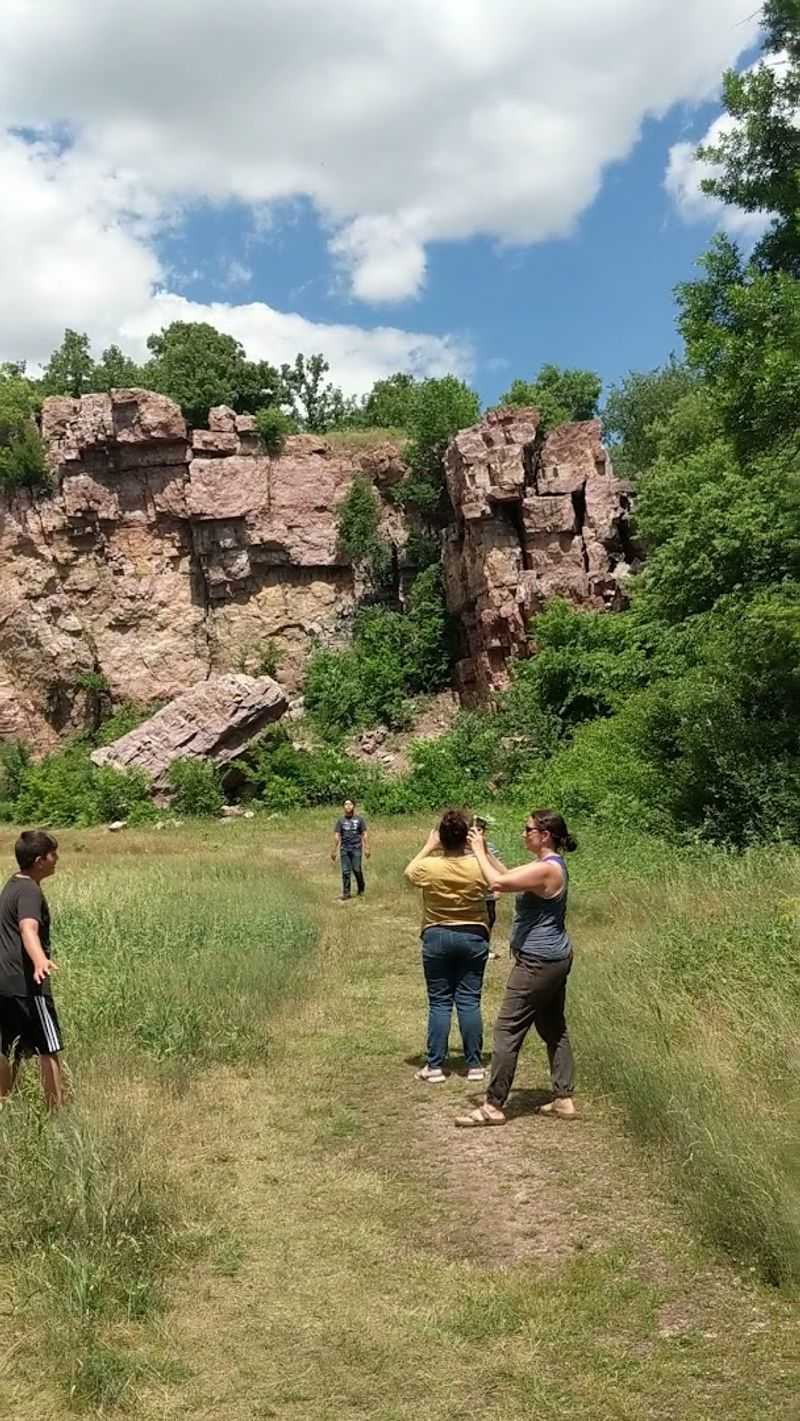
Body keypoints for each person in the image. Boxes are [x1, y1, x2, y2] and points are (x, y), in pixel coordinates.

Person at [456, 809, 577, 1126]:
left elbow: (496, 882)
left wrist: (480, 851)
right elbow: (507, 875)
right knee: (553, 1027)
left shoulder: (548, 870)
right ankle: (563, 1098)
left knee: (508, 1030)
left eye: (527, 830)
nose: (524, 834)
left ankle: (494, 1105)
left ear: (545, 834)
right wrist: (482, 848)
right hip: (552, 959)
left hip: (538, 961)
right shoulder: (545, 865)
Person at [404, 810, 491, 1084]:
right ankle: (474, 1065)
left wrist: (429, 846)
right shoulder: (478, 866)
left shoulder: (429, 867)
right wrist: (481, 850)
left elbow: (409, 873)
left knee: (440, 1001)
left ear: (441, 836)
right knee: (469, 1000)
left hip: (437, 934)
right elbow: (498, 880)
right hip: (473, 935)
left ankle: (435, 1066)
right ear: (467, 837)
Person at [0, 829, 65, 1111]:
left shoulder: (12, 884)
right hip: (27, 983)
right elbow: (28, 928)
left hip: (3, 982)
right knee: (48, 1048)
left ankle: (3, 1104)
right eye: (53, 854)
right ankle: (57, 1111)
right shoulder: (29, 891)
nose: (57, 859)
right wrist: (39, 960)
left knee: (8, 1049)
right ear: (39, 860)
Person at [332, 799, 369, 901]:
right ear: (343, 807)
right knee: (345, 871)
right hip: (345, 849)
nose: (348, 806)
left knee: (356, 869)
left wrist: (366, 848)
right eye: (346, 804)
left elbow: (364, 834)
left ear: (354, 806)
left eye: (350, 804)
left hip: (356, 848)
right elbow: (337, 835)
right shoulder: (340, 821)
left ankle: (361, 887)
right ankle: (346, 893)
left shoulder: (359, 819)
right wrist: (334, 850)